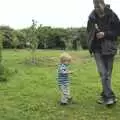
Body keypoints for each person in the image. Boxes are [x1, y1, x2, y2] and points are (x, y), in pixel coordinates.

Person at [87, 0, 120, 105]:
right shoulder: (92, 17)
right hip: (97, 49)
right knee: (103, 73)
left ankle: (104, 94)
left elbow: (117, 32)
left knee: (107, 74)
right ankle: (110, 97)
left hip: (109, 48)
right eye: (95, 6)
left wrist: (105, 34)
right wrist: (90, 43)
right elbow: (88, 32)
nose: (97, 8)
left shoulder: (112, 15)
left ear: (104, 5)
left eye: (98, 6)